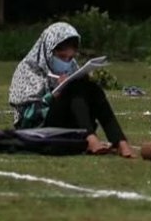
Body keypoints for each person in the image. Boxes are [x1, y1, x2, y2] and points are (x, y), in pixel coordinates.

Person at [8, 22, 134, 157]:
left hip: (67, 123)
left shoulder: (71, 66)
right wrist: (55, 94)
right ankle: (90, 138)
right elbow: (27, 118)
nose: (66, 62)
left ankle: (119, 141)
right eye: (62, 57)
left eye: (70, 58)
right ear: (49, 51)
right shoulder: (28, 70)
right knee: (72, 88)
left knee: (92, 88)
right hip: (38, 128)